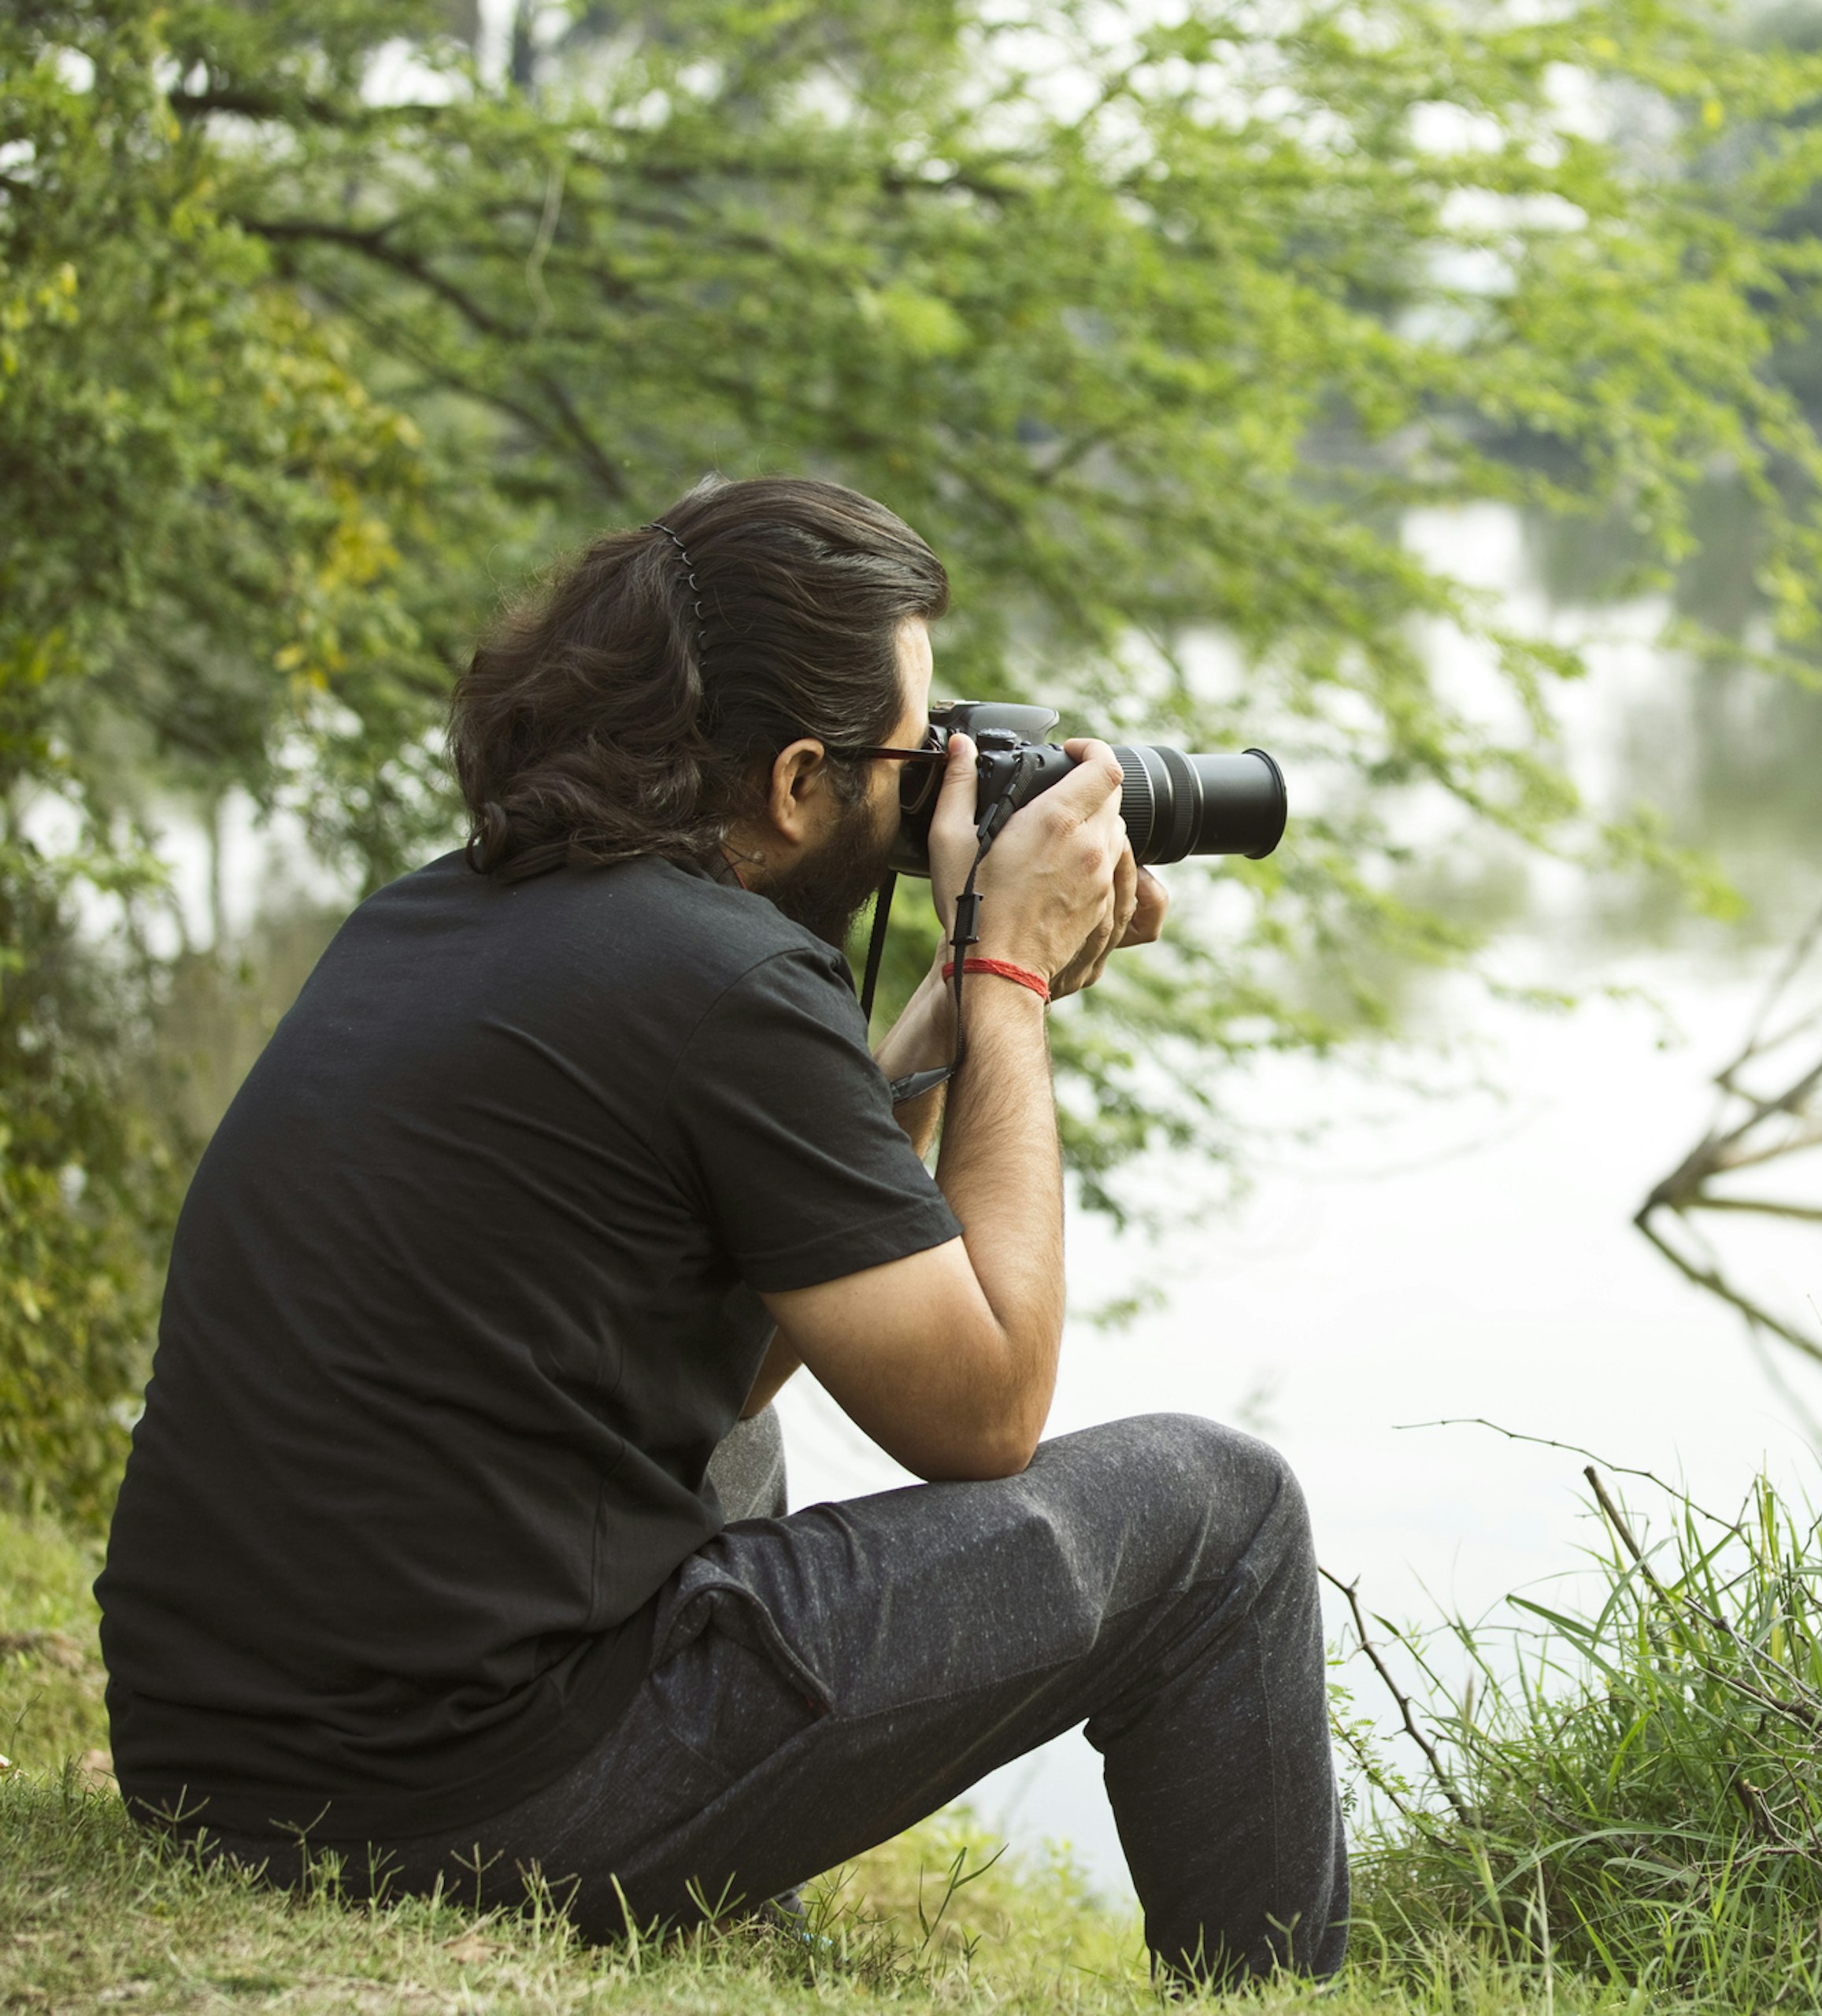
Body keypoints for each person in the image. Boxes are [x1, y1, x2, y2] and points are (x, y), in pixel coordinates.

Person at [94, 476, 1346, 1984]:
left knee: (735, 1428)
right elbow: (984, 1409)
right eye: (911, 754)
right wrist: (1010, 980)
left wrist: (951, 989)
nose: (930, 792)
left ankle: (728, 1902)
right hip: (456, 1802)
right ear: (800, 780)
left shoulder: (450, 910)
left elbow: (759, 1331)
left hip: (219, 1762)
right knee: (1225, 1514)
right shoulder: (726, 984)